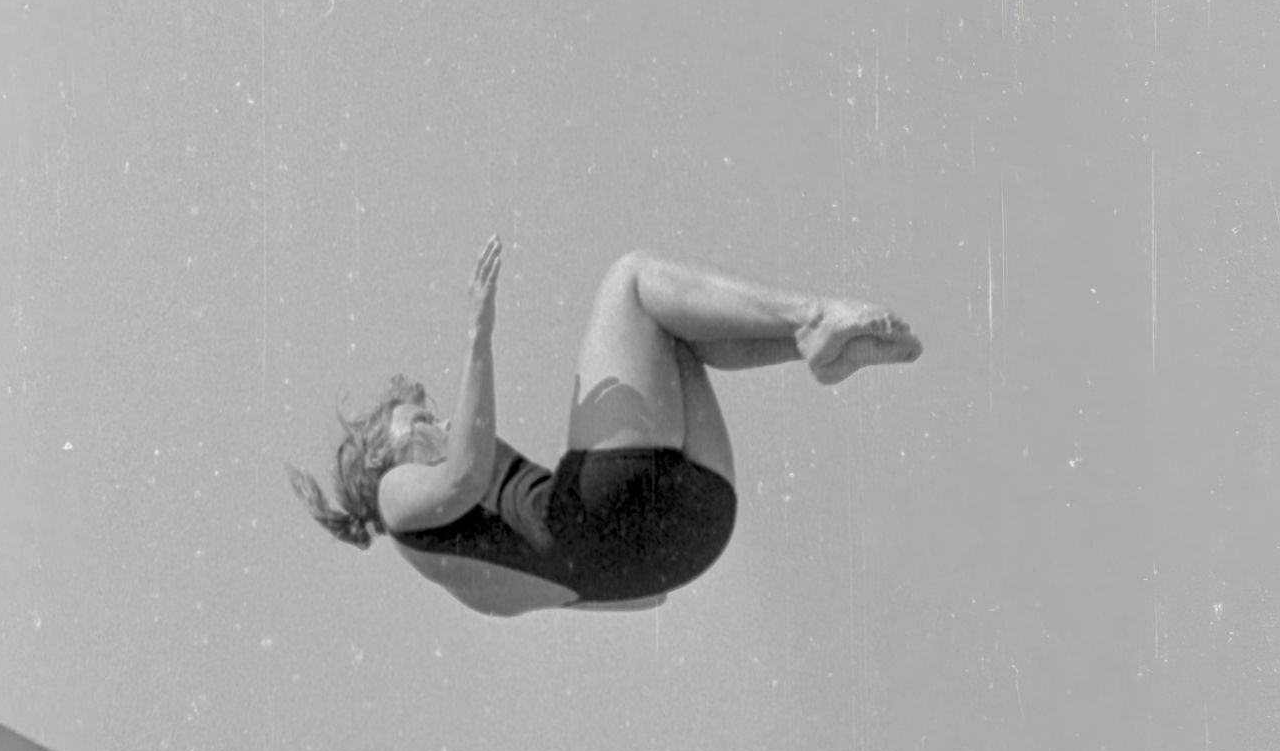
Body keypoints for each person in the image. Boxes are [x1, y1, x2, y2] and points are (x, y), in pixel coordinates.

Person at [288, 236, 921, 616]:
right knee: (632, 279)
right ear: (384, 454)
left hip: (689, 536)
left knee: (675, 332)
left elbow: (588, 595)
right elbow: (463, 476)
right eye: (420, 420)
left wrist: (642, 568)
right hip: (613, 516)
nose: (440, 418)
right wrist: (478, 333)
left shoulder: (463, 572)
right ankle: (811, 321)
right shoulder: (394, 497)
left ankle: (817, 344)